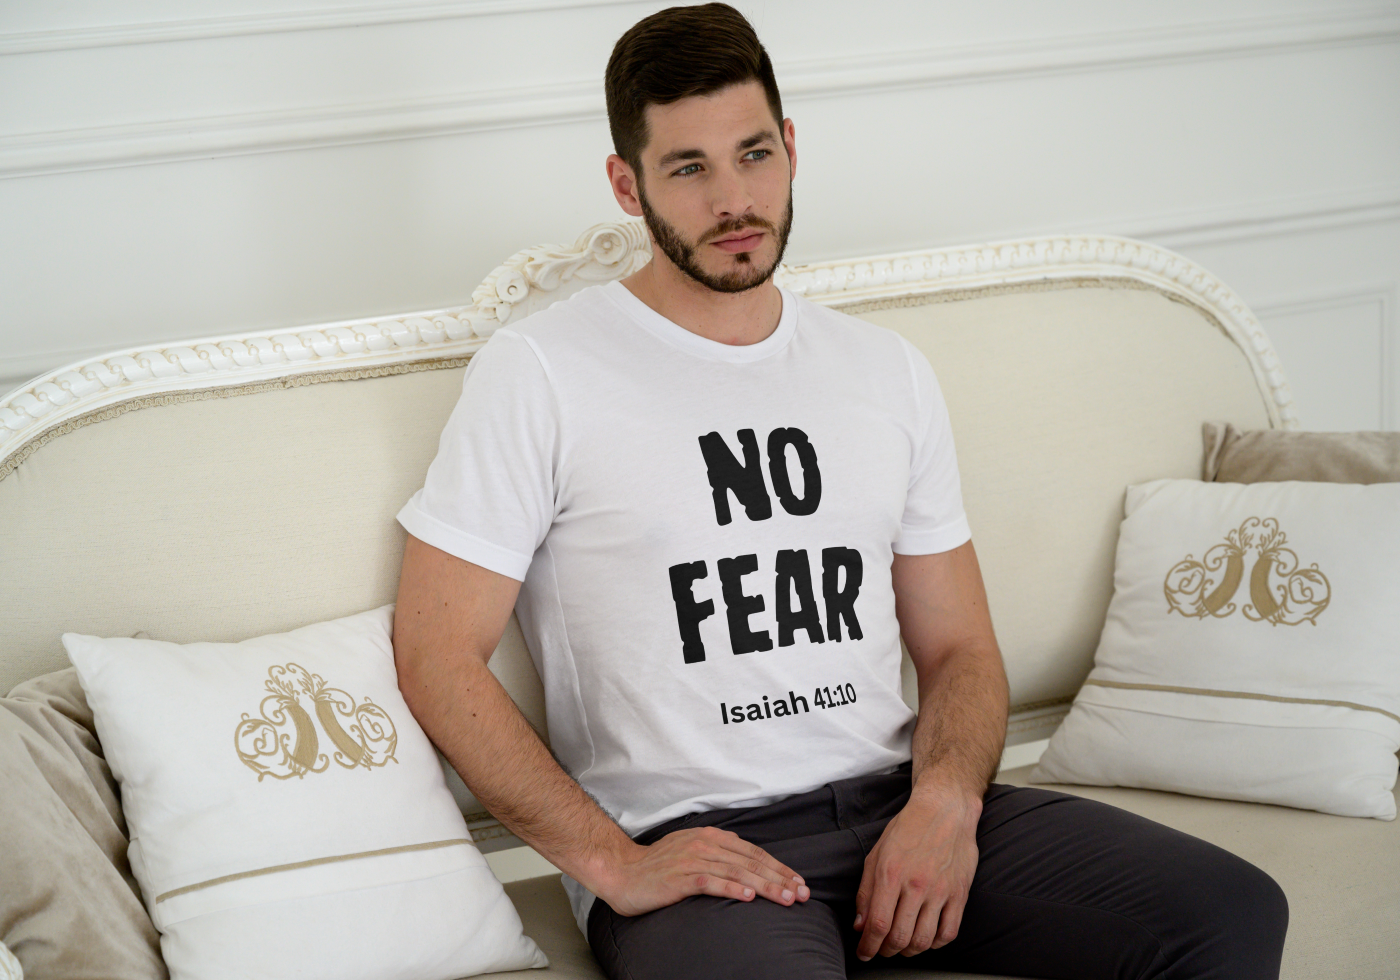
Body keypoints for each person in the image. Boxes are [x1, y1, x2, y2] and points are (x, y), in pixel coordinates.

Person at [392, 4, 1289, 977]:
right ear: (626, 184)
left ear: (789, 145)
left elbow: (958, 646)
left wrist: (943, 805)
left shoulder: (882, 371)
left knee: (1229, 909)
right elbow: (435, 651)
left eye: (752, 153)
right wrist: (612, 859)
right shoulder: (541, 371)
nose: (734, 199)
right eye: (687, 168)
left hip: (894, 795)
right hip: (695, 842)